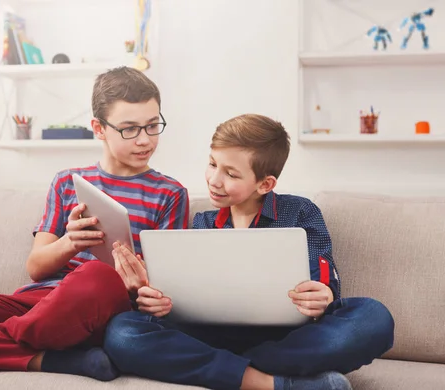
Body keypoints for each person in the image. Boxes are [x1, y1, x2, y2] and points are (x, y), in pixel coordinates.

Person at [0, 66, 189, 381]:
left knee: (97, 275)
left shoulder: (170, 194)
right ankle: (51, 360)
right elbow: (36, 268)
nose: (145, 140)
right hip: (38, 304)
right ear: (99, 129)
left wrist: (138, 284)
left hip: (103, 308)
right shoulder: (66, 183)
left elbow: (166, 288)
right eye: (130, 129)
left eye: (153, 126)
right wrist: (69, 243)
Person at [104, 114, 394, 390]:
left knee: (373, 317)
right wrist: (159, 302)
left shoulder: (300, 212)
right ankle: (269, 383)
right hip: (211, 335)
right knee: (123, 332)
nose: (214, 180)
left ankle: (227, 370)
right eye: (212, 163)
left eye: (230, 173)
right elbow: (183, 298)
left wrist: (324, 296)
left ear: (264, 184)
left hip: (288, 339)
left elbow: (324, 283)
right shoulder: (202, 223)